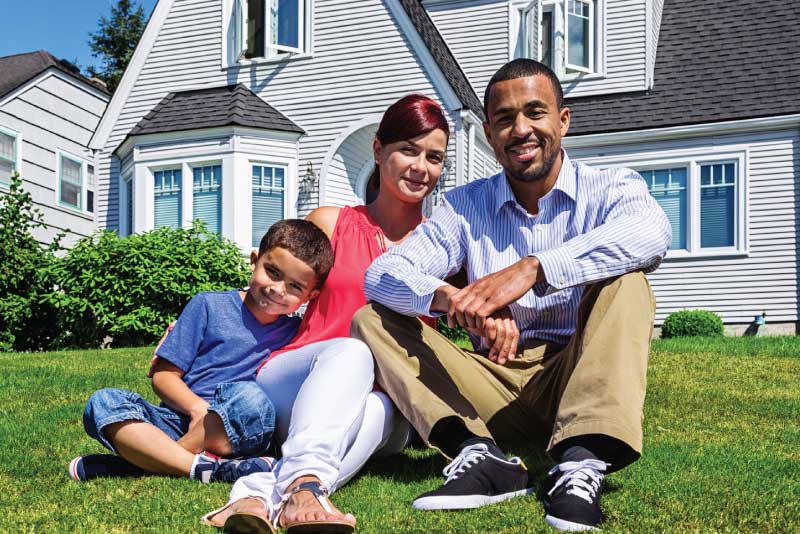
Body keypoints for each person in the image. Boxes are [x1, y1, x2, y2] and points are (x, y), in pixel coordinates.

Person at [351, 58, 671, 532]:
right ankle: (479, 457)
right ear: (488, 132)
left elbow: (652, 233)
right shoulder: (464, 206)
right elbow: (384, 272)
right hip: (491, 384)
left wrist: (535, 268)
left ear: (563, 120)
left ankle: (580, 461)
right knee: (372, 318)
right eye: (504, 119)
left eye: (535, 113)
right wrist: (452, 300)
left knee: (628, 282)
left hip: (574, 373)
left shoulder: (612, 187)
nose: (521, 129)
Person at [204, 94, 450, 533]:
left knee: (382, 408)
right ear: (378, 150)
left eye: (434, 157)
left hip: (383, 404)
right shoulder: (331, 223)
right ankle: (304, 481)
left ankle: (262, 493)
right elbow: (274, 288)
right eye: (408, 150)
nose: (421, 167)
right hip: (298, 381)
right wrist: (210, 330)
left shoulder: (443, 247)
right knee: (354, 351)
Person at [70, 220, 334, 484]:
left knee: (251, 399)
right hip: (179, 419)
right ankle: (209, 468)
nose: (277, 289)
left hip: (238, 426)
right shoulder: (208, 305)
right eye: (273, 272)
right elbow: (163, 377)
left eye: (295, 286)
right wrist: (197, 408)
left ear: (311, 296)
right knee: (103, 403)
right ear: (254, 260)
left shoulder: (299, 332)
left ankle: (148, 462)